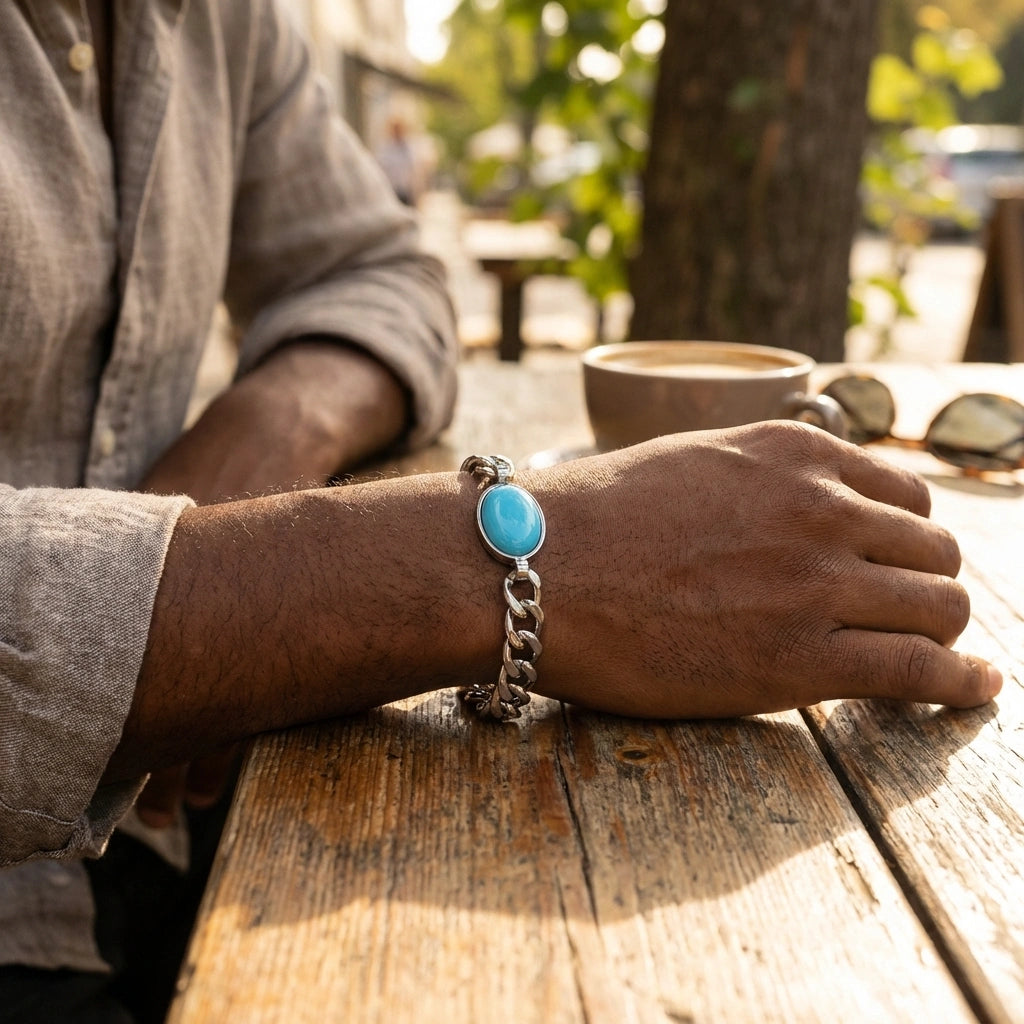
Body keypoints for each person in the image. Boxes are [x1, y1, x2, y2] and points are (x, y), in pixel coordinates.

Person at [0, 1, 1002, 1022]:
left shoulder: (221, 20)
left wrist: (270, 427)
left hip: (182, 832)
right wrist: (506, 564)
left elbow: (377, 268)